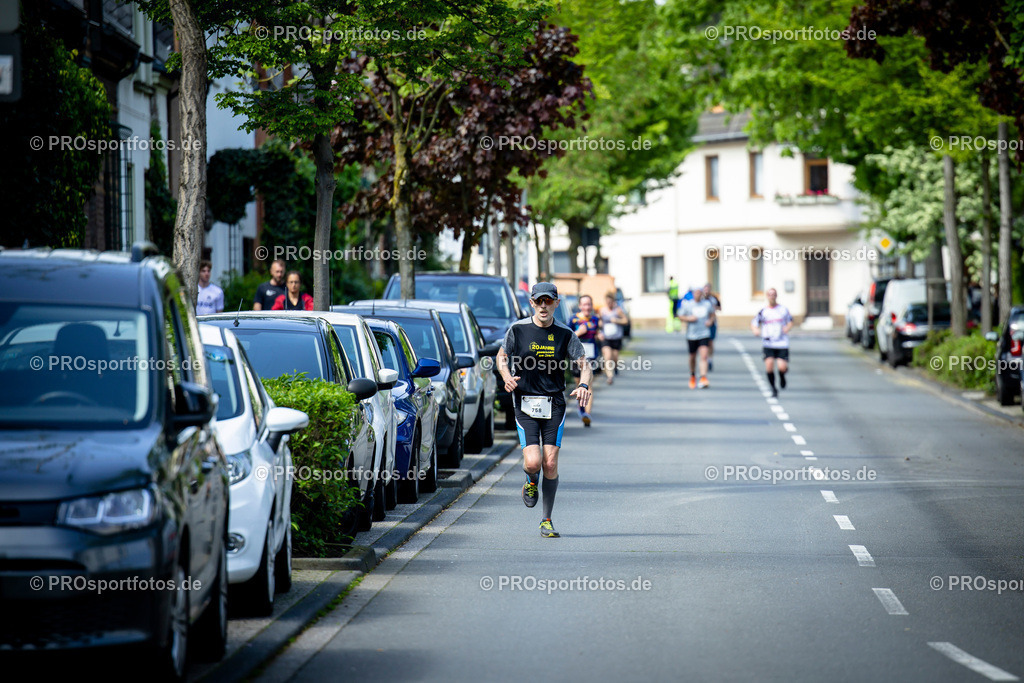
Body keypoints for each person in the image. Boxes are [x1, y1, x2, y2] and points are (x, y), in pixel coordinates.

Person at [496, 282, 591, 538]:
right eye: (539, 301)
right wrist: (506, 376)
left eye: (548, 301)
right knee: (533, 462)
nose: (543, 306)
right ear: (532, 303)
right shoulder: (518, 330)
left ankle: (546, 520)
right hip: (525, 402)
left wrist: (583, 384)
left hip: (554, 404)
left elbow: (585, 365)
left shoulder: (565, 334)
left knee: (550, 463)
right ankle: (530, 481)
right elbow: (501, 356)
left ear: (556, 304)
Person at [751, 287, 794, 398]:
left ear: (776, 296)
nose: (772, 296)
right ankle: (773, 388)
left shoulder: (783, 310)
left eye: (773, 294)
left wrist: (787, 328)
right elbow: (754, 322)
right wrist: (755, 330)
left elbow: (790, 321)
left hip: (782, 343)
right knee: (769, 366)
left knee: (782, 367)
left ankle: (782, 376)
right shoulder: (763, 311)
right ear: (767, 296)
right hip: (768, 343)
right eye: (769, 294)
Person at [569, 294, 600, 427]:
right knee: (579, 383)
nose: (587, 307)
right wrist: (578, 333)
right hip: (577, 356)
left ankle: (587, 413)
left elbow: (596, 334)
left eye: (589, 304)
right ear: (580, 306)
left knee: (588, 383)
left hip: (591, 355)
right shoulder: (573, 320)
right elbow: (567, 339)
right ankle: (581, 409)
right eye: (584, 304)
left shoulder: (595, 319)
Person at [678, 284, 716, 389]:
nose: (698, 295)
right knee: (692, 357)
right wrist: (688, 319)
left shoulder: (707, 304)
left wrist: (710, 321)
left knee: (704, 356)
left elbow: (713, 315)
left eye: (700, 293)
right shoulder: (688, 305)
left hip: (704, 333)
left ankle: (703, 377)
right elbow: (680, 316)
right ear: (693, 294)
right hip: (691, 334)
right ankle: (693, 375)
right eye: (696, 293)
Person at [599, 291, 628, 385]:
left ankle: (615, 367)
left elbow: (625, 321)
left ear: (613, 302)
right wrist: (599, 326)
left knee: (614, 358)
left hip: (616, 337)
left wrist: (616, 320)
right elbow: (599, 322)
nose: (609, 304)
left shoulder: (618, 310)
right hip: (606, 338)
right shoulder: (602, 310)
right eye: (607, 302)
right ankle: (610, 377)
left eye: (611, 302)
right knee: (607, 356)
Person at [703, 283, 722, 371]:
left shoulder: (714, 298)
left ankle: (709, 359)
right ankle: (704, 359)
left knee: (710, 342)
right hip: (702, 323)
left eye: (708, 289)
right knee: (703, 343)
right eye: (705, 289)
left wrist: (715, 307)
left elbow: (720, 308)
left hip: (712, 323)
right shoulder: (701, 299)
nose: (706, 291)